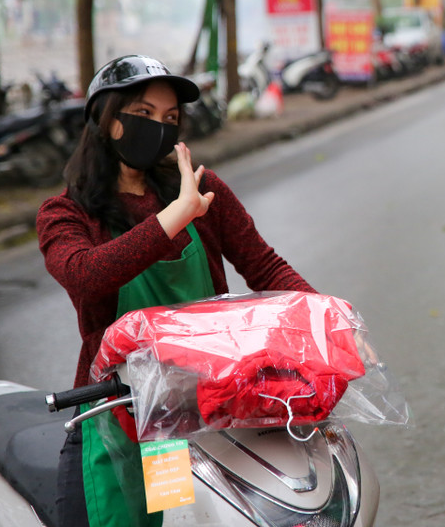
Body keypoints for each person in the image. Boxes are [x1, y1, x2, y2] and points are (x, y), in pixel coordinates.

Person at [36, 55, 317, 527]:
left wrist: (326, 318)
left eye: (169, 119)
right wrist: (176, 216)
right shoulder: (66, 213)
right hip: (117, 415)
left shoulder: (201, 191)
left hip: (199, 410)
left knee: (185, 517)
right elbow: (86, 274)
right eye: (143, 115)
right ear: (105, 121)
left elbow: (264, 266)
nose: (159, 129)